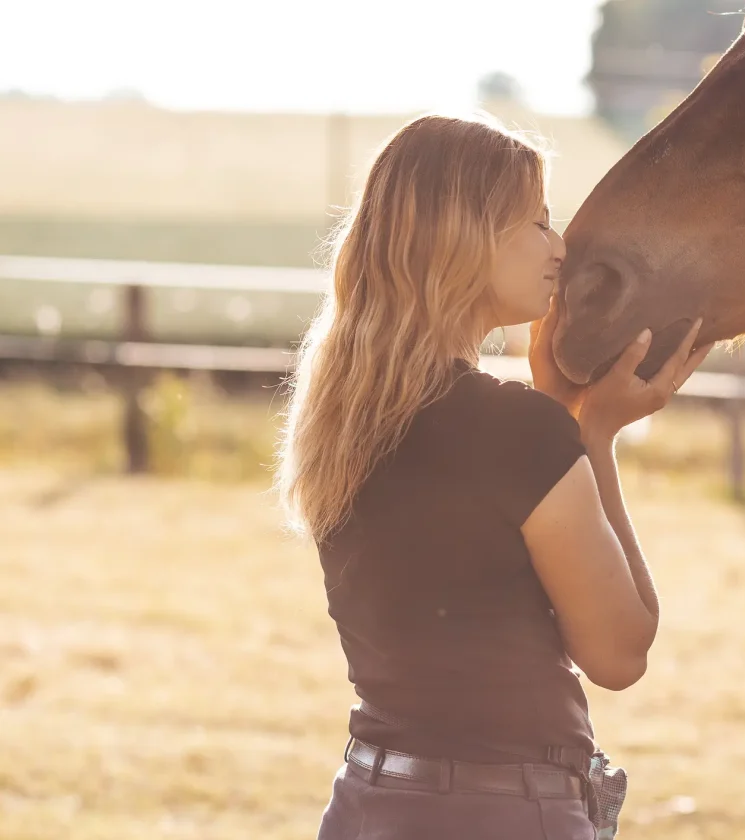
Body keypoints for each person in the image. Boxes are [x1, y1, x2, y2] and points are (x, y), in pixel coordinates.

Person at [273, 113, 712, 840]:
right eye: (537, 222)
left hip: (365, 803)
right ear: (466, 237)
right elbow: (619, 651)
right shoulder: (518, 432)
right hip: (499, 814)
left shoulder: (341, 423)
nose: (560, 246)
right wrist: (592, 432)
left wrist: (562, 417)